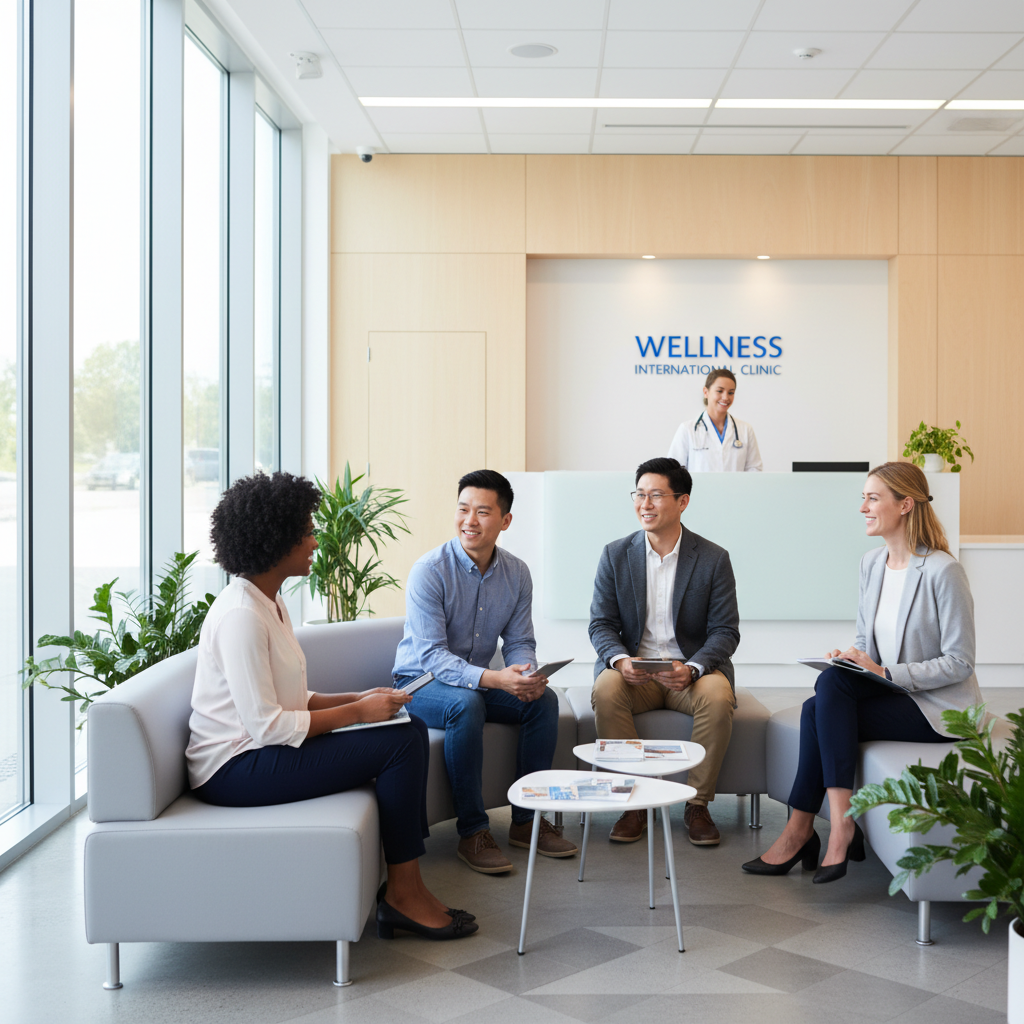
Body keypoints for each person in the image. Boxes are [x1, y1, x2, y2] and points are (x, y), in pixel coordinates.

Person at [186, 472, 477, 942]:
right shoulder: (241, 615)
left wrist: (359, 698)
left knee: (410, 726)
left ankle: (407, 887)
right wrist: (359, 715)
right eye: (306, 532)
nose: (315, 541)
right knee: (402, 743)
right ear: (276, 539)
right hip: (233, 769)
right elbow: (266, 726)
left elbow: (290, 700)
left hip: (260, 751)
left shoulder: (269, 602)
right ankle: (404, 894)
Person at [742, 461, 981, 883]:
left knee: (819, 710)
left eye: (873, 498)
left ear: (905, 505)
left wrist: (885, 672)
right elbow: (867, 639)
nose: (863, 508)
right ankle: (836, 826)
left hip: (936, 707)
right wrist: (854, 656)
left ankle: (813, 831)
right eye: (863, 497)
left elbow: (959, 662)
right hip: (890, 690)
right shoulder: (872, 563)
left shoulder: (944, 571)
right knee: (830, 682)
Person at [393, 469, 578, 873]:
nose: (469, 521)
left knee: (543, 701)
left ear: (505, 520)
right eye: (463, 510)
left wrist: (526, 674)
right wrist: (496, 678)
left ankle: (526, 822)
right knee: (466, 705)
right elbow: (432, 657)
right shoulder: (430, 570)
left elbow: (518, 640)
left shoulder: (517, 573)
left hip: (474, 682)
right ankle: (472, 832)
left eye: (482, 512)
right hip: (419, 684)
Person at [589, 457, 740, 846]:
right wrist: (622, 661)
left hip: (688, 675)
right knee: (606, 688)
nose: (645, 504)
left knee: (719, 695)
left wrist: (692, 668)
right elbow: (600, 624)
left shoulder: (712, 558)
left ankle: (697, 804)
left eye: (656, 495)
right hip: (634, 674)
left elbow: (725, 631)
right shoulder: (615, 555)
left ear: (682, 501)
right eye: (639, 494)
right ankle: (634, 803)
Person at [667, 368, 762, 473]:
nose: (725, 397)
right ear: (706, 392)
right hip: (699, 489)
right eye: (720, 391)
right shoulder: (687, 429)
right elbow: (674, 471)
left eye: (731, 392)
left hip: (735, 489)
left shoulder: (745, 430)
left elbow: (754, 469)